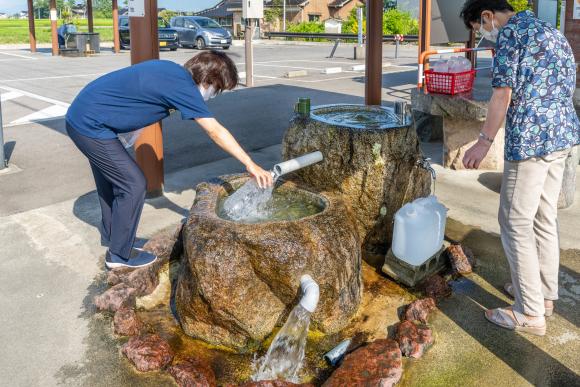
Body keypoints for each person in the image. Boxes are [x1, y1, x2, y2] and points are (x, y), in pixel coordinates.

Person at [65, 51, 273, 270]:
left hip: (84, 117)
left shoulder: (173, 73)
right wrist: (250, 163)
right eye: (218, 89)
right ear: (209, 80)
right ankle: (118, 255)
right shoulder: (182, 87)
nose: (215, 95)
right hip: (90, 126)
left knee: (113, 183)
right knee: (134, 184)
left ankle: (114, 237)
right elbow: (214, 130)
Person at [460, 0, 579, 336]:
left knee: (514, 220)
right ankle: (543, 296)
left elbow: (502, 96)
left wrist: (484, 141)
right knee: (543, 216)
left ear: (487, 16)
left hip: (531, 142)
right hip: (562, 136)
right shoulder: (550, 31)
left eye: (477, 29)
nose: (482, 35)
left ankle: (528, 312)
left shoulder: (512, 35)